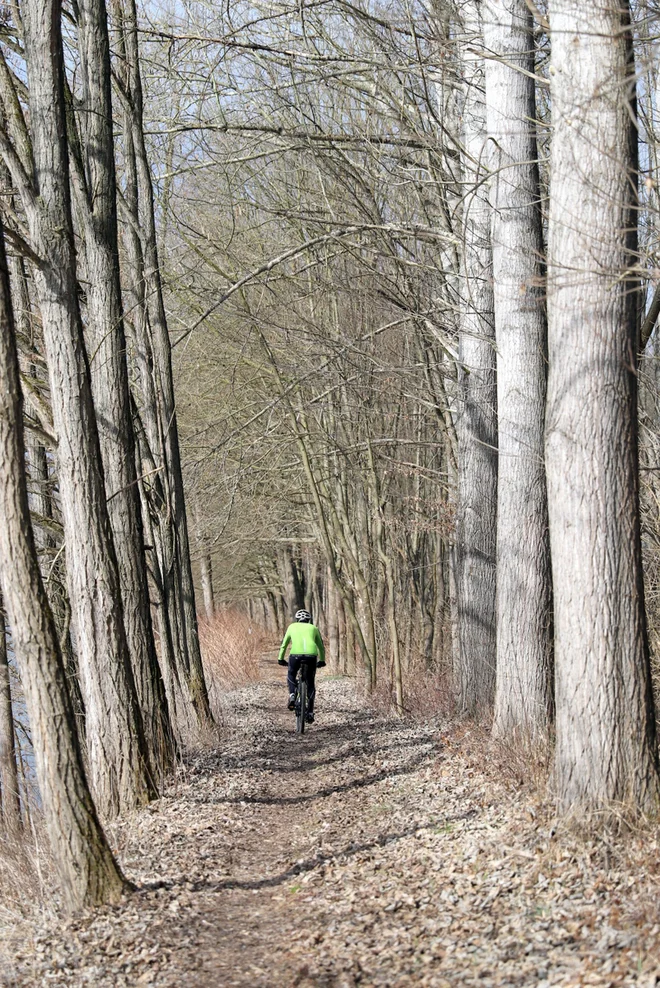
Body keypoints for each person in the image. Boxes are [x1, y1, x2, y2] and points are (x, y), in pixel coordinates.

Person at [277, 609, 326, 723]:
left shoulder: (292, 627)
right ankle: (310, 712)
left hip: (295, 656)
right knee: (310, 682)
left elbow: (284, 644)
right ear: (308, 620)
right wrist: (322, 660)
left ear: (297, 619)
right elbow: (321, 646)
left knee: (291, 674)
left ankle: (293, 694)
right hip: (311, 656)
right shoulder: (314, 628)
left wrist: (280, 658)